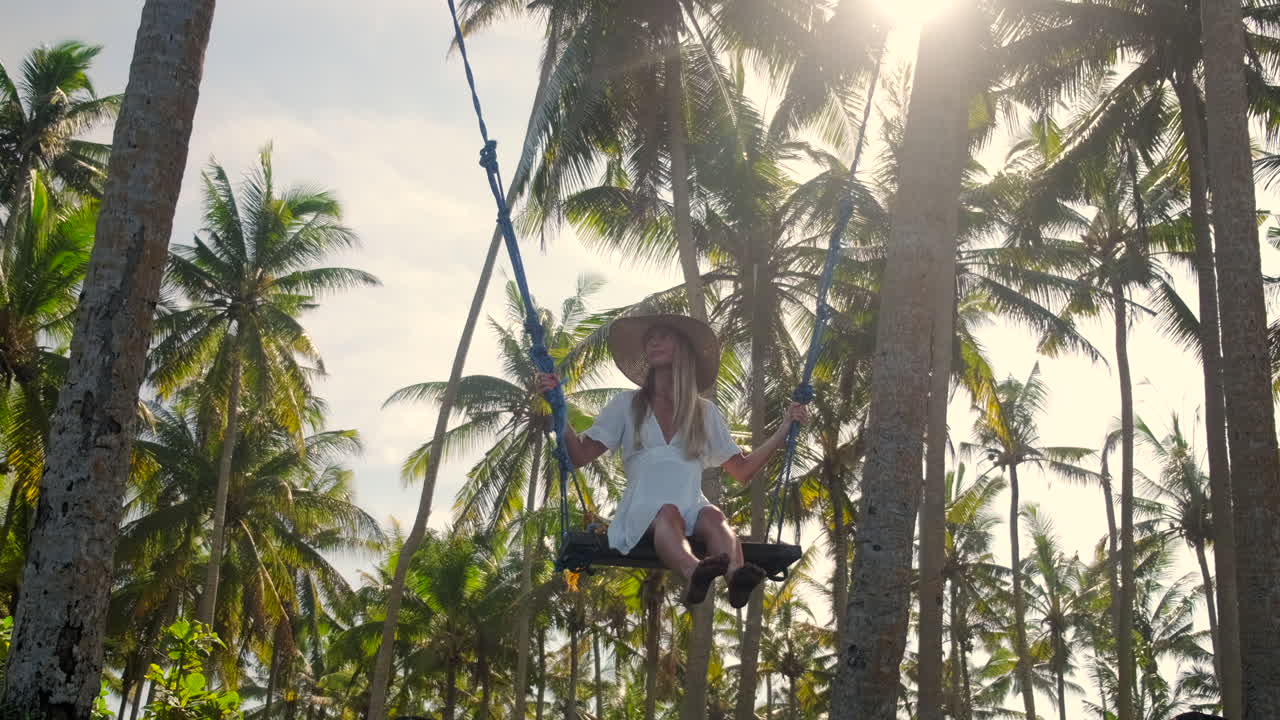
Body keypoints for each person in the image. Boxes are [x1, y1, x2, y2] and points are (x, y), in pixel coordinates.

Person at [536, 314, 808, 607]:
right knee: (668, 513)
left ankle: (736, 576)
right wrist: (557, 406)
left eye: (664, 336)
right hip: (644, 506)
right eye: (651, 338)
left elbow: (743, 470)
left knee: (715, 517)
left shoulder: (704, 412)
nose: (654, 341)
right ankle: (694, 573)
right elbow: (578, 455)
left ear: (684, 349)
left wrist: (785, 427)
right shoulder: (627, 405)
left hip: (692, 502)